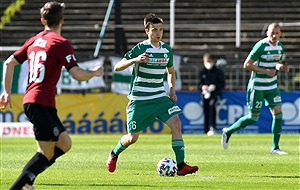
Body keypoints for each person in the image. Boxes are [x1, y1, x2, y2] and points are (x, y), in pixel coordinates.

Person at [0, 2, 104, 189]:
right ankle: (21, 185)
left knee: (64, 143)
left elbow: (9, 63)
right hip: (40, 102)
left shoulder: (33, 40)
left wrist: (6, 91)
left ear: (42, 20)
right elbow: (78, 75)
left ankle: (28, 181)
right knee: (45, 153)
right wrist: (94, 73)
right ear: (62, 21)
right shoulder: (60, 43)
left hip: (34, 101)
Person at [106, 13, 198, 176]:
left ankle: (181, 165)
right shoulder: (141, 48)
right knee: (132, 138)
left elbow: (171, 72)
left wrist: (171, 89)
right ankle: (114, 153)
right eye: (154, 30)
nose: (158, 33)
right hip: (140, 100)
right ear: (147, 31)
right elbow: (117, 67)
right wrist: (134, 60)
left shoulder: (166, 50)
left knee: (176, 124)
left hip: (159, 98)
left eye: (161, 30)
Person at [221, 22, 290, 154]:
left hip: (272, 86)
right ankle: (228, 131)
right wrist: (265, 71)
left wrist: (281, 67)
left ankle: (275, 147)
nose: (274, 35)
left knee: (278, 114)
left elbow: (277, 62)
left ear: (280, 34)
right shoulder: (261, 46)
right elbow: (247, 64)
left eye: (277, 33)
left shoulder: (280, 47)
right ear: (267, 33)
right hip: (257, 86)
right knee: (253, 118)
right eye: (272, 33)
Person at [199, 53, 225, 136]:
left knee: (212, 105)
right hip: (205, 94)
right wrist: (202, 87)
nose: (208, 63)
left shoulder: (218, 72)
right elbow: (199, 84)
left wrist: (215, 87)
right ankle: (205, 129)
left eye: (209, 61)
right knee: (205, 111)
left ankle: (213, 127)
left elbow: (222, 84)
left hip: (215, 93)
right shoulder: (202, 72)